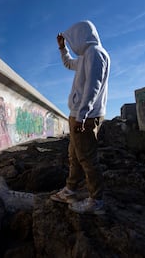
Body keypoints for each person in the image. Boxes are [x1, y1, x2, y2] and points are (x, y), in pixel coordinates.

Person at [50, 20, 110, 214]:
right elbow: (69, 64)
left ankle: (96, 201)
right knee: (75, 156)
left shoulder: (95, 53)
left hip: (86, 116)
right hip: (80, 114)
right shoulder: (87, 55)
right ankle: (70, 189)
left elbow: (93, 87)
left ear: (82, 34)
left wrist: (82, 116)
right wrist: (62, 48)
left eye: (72, 37)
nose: (72, 41)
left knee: (87, 158)